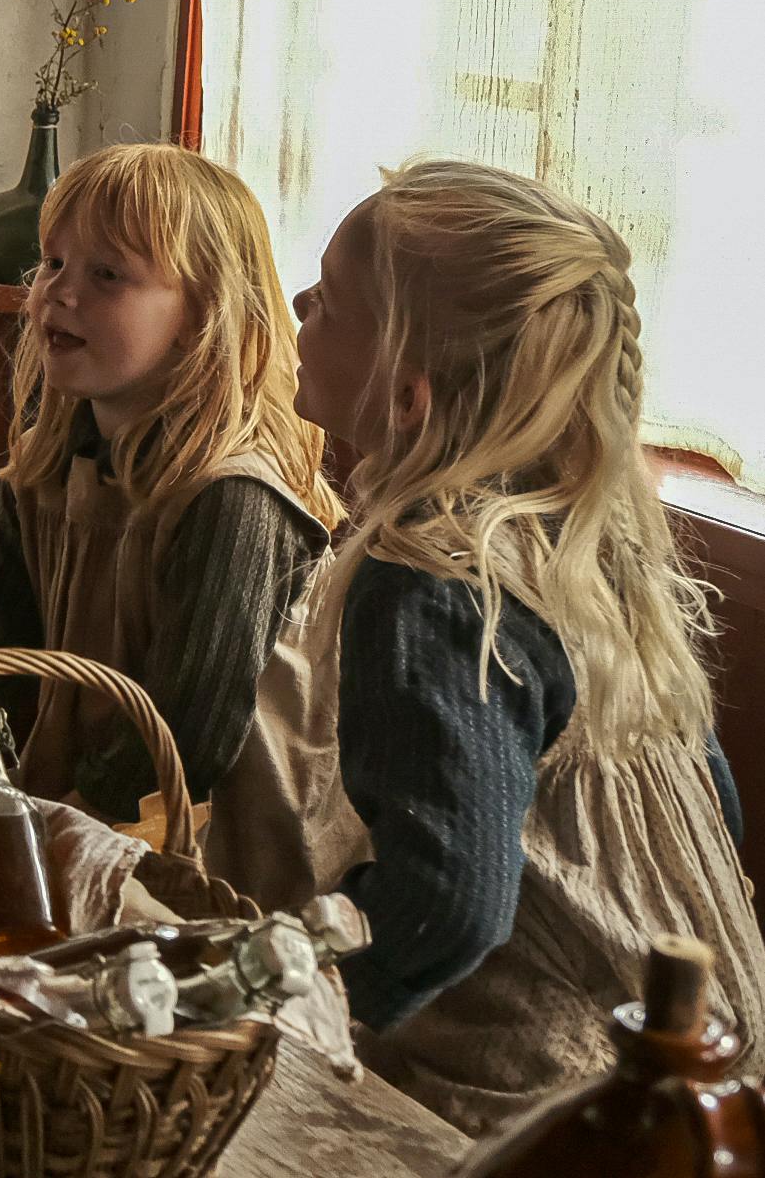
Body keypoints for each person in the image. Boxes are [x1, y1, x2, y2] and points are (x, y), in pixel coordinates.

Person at [289, 159, 764, 1133]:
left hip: (543, 1097)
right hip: (709, 1063)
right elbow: (712, 808)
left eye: (328, 299)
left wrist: (301, 1010)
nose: (299, 302)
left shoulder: (428, 581)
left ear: (408, 396)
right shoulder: (590, 546)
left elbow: (447, 903)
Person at [0, 144, 351, 908]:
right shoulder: (47, 467)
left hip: (204, 866)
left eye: (106, 275)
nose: (58, 293)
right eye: (52, 263)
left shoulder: (231, 499)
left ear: (200, 314)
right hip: (74, 827)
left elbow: (183, 737)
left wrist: (47, 855)